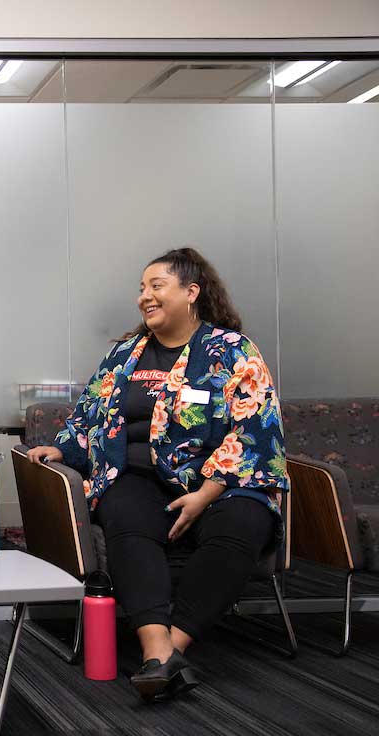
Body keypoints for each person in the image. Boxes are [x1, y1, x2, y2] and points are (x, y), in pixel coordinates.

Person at [27, 247, 288, 702]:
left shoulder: (230, 351)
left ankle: (172, 647)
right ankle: (156, 650)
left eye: (156, 286)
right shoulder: (125, 354)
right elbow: (90, 414)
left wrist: (205, 495)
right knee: (125, 517)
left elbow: (255, 427)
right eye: (142, 288)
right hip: (135, 475)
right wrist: (63, 447)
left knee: (245, 523)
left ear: (191, 292)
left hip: (219, 482)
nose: (144, 296)